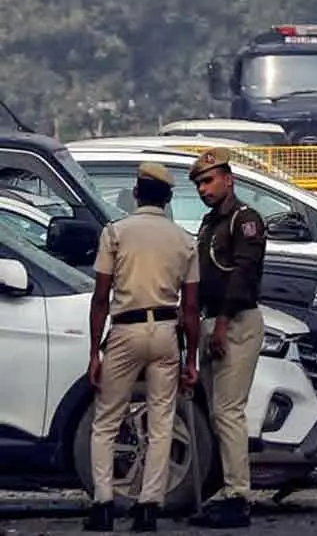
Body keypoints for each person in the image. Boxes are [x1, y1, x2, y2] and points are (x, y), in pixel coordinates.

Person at [84, 163, 200, 533]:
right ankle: (149, 507)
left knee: (106, 420)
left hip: (125, 330)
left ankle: (103, 505)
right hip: (166, 330)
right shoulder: (184, 240)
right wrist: (191, 360)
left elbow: (101, 297)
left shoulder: (115, 233)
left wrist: (93, 353)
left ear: (136, 193)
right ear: (168, 199)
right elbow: (192, 307)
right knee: (162, 421)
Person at [188, 147, 267, 529]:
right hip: (211, 321)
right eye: (199, 183)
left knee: (228, 411)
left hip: (236, 321)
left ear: (228, 179)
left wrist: (220, 323)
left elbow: (243, 275)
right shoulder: (209, 225)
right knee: (217, 413)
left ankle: (238, 496)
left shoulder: (244, 220)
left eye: (209, 180)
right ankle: (224, 491)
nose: (204, 188)